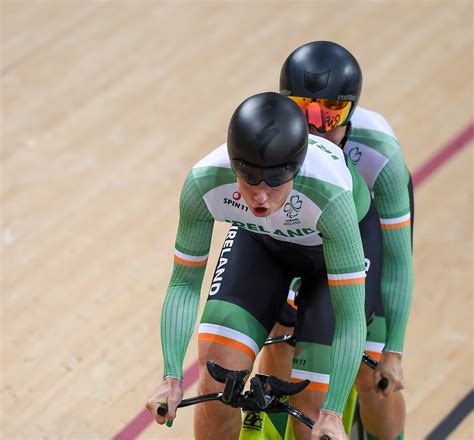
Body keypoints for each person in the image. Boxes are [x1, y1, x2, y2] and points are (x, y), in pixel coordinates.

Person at [146, 91, 385, 440]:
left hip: (329, 255)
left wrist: (332, 412)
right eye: (250, 178)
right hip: (261, 243)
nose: (260, 196)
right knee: (216, 385)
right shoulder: (203, 182)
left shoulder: (329, 195)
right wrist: (170, 377)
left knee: (312, 417)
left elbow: (349, 317)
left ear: (297, 168)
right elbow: (183, 284)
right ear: (233, 164)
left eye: (274, 181)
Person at [260, 41, 414, 440]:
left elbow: (397, 260)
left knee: (371, 371)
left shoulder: (380, 154)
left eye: (328, 115)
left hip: (367, 233)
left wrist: (393, 350)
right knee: (279, 339)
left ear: (351, 111)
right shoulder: (272, 142)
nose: (314, 126)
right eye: (301, 110)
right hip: (307, 234)